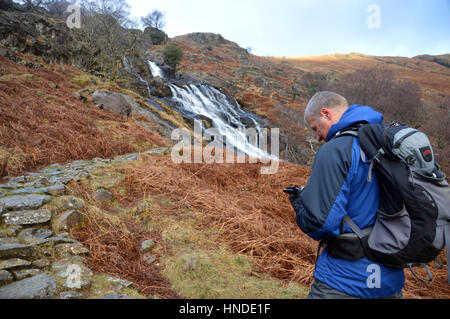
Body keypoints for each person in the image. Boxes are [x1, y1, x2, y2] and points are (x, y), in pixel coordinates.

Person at [289, 91, 405, 299]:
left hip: (344, 282)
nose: (317, 137)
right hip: (390, 281)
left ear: (326, 113)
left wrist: (300, 204)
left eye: (315, 128)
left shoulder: (336, 149)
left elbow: (321, 223)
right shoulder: (389, 143)